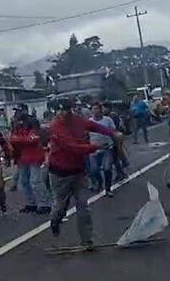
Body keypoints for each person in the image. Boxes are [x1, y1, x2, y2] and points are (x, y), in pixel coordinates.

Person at [47, 98, 120, 247]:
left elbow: (93, 125)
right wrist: (96, 147)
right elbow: (72, 147)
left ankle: (86, 239)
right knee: (60, 206)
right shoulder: (56, 127)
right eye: (60, 110)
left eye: (67, 109)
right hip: (60, 173)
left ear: (71, 109)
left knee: (83, 206)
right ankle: (55, 221)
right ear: (56, 111)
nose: (64, 113)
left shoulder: (76, 119)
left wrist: (112, 133)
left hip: (78, 170)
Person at [9, 112, 51, 214]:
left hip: (34, 156)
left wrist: (18, 139)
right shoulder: (16, 128)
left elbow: (32, 140)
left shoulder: (33, 125)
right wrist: (19, 139)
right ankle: (31, 203)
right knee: (24, 182)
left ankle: (45, 204)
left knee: (35, 181)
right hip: (22, 157)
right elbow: (12, 139)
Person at [88, 103, 118, 197]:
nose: (95, 111)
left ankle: (108, 188)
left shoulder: (107, 120)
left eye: (97, 109)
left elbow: (113, 132)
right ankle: (100, 183)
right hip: (93, 150)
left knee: (107, 169)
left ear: (100, 110)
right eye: (93, 109)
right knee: (94, 171)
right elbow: (85, 135)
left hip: (107, 148)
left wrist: (116, 144)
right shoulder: (89, 122)